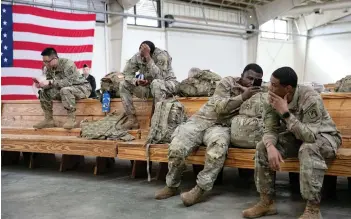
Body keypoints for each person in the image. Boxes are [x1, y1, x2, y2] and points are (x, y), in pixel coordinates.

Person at [154, 64, 264, 207]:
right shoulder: (227, 82)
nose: (252, 82)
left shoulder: (257, 92)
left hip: (221, 127)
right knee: (177, 146)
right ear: (241, 75)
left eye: (257, 80)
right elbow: (220, 107)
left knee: (218, 149)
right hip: (201, 120)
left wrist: (258, 93)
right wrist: (243, 96)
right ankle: (171, 185)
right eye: (249, 78)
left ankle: (200, 189)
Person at [242, 67, 341, 219]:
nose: (270, 87)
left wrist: (285, 113)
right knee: (262, 147)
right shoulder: (272, 98)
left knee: (308, 149)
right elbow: (270, 129)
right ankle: (266, 202)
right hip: (297, 135)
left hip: (324, 136)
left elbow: (309, 136)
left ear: (287, 88)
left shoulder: (309, 98)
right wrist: (270, 147)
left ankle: (312, 210)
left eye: (274, 84)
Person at [119, 41, 179, 130]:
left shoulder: (161, 56)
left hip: (167, 86)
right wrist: (136, 81)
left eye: (144, 55)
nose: (141, 58)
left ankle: (157, 122)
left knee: (156, 83)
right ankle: (132, 120)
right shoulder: (139, 55)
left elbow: (160, 78)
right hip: (150, 87)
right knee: (123, 84)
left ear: (150, 53)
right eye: (141, 54)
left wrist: (148, 58)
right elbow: (126, 74)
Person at [33, 48, 92, 129]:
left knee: (65, 90)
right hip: (66, 88)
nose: (45, 64)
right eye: (44, 61)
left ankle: (72, 119)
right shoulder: (50, 68)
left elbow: (68, 82)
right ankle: (48, 120)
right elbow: (52, 83)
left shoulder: (68, 64)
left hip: (82, 87)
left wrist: (50, 82)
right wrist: (42, 85)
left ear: (55, 59)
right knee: (44, 92)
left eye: (47, 61)